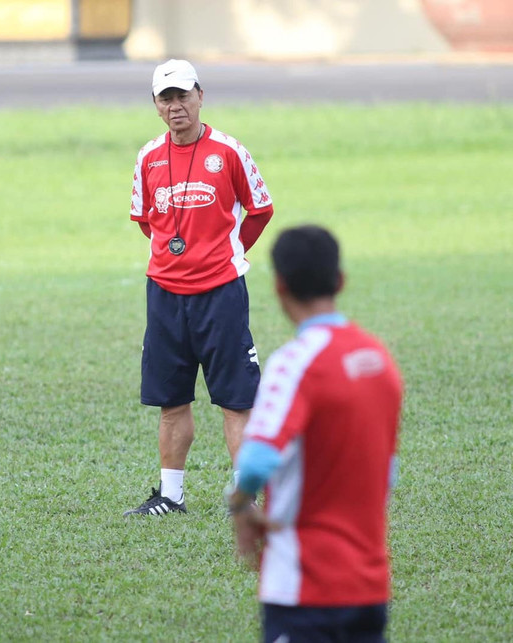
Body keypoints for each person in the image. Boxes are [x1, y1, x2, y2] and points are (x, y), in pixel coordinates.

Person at [226, 225, 402, 642]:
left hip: (305, 587)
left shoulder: (295, 363)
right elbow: (387, 472)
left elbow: (256, 459)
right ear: (340, 281)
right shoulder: (378, 360)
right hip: (370, 587)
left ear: (280, 286)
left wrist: (240, 507)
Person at [124, 59, 274, 516]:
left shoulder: (228, 151)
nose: (176, 106)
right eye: (166, 98)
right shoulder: (148, 158)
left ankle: (243, 499)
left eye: (183, 96)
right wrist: (177, 257)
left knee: (235, 401)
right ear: (155, 105)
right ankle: (171, 496)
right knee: (170, 401)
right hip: (165, 296)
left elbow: (260, 209)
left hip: (221, 294)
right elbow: (145, 221)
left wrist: (229, 254)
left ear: (200, 96)